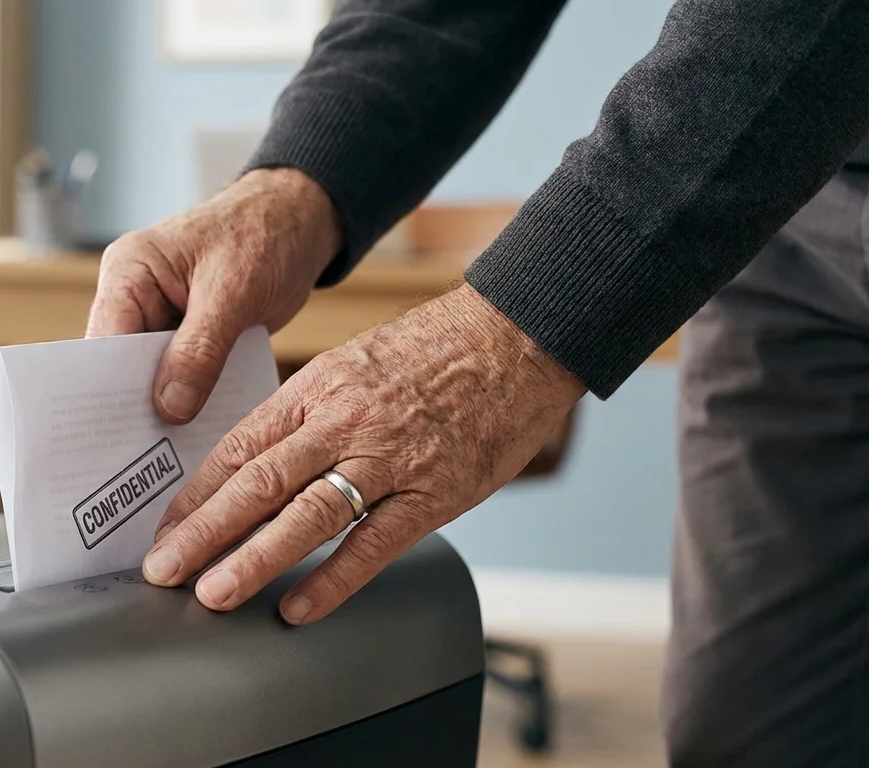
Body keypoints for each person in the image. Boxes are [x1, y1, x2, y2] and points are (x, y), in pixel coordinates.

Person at [83, 0, 869, 764]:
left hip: (795, 115)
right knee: (750, 724)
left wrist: (520, 332)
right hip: (799, 204)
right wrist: (295, 187)